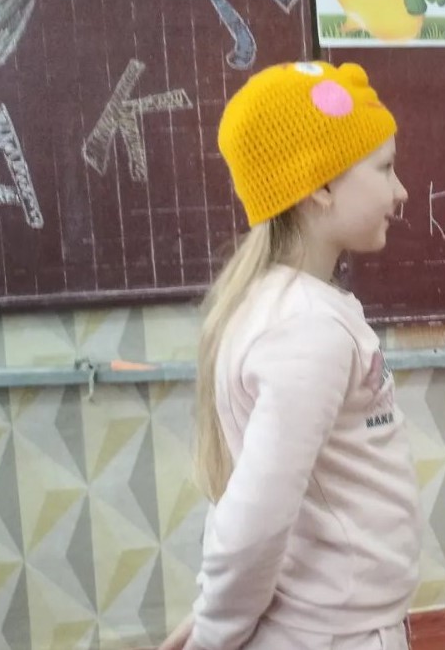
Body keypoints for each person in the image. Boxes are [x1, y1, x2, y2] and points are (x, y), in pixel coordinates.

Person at [159, 60, 420, 650]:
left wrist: (210, 615)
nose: (401, 191)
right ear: (320, 187)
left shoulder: (283, 309)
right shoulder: (306, 330)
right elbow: (255, 516)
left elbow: (254, 497)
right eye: (384, 169)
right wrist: (214, 633)